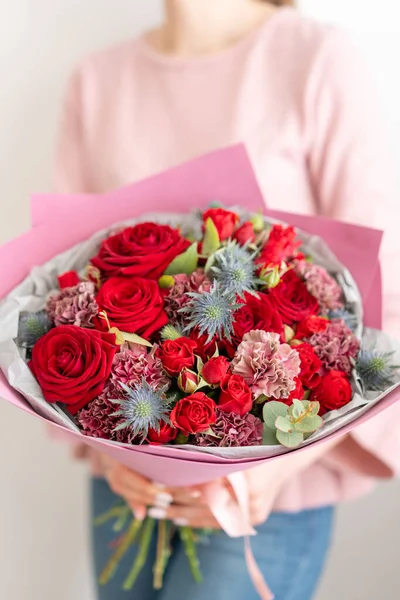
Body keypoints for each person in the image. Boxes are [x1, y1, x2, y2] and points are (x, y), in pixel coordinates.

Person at [55, 1, 400, 599]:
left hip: (268, 498)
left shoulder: (317, 60)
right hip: (129, 479)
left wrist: (268, 470)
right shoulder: (97, 79)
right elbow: (63, 286)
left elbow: (385, 303)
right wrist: (109, 454)